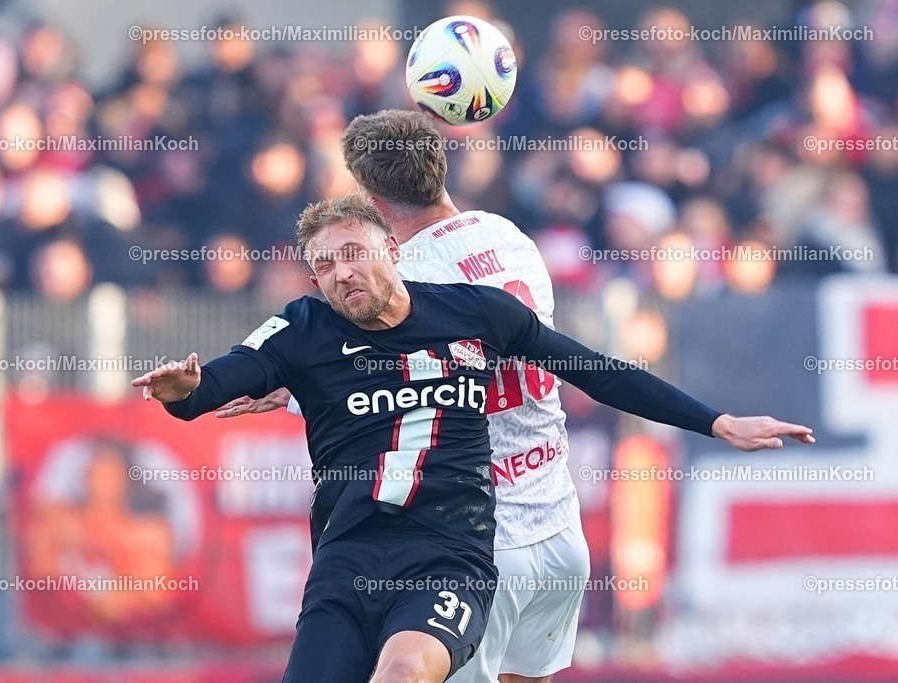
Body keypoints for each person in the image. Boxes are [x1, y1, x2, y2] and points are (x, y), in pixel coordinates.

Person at [132, 194, 813, 683]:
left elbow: (597, 371)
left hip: (449, 556)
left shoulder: (474, 312)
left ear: (390, 250)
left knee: (404, 672)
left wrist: (717, 420)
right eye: (325, 265)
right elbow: (217, 382)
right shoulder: (303, 327)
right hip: (346, 563)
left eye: (352, 253)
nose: (341, 272)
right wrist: (183, 390)